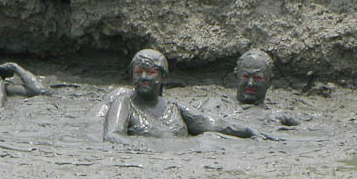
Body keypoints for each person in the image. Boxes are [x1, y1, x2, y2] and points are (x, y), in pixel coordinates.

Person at [102, 49, 270, 143]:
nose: (144, 78)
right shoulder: (124, 103)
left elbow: (211, 123)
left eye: (151, 72)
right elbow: (113, 135)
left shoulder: (174, 106)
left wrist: (248, 130)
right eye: (139, 72)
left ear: (163, 77)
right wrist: (143, 147)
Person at [200, 49, 299, 127]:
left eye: (257, 78)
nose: (251, 83)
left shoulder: (277, 115)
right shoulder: (214, 105)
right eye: (246, 76)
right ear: (236, 76)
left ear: (269, 81)